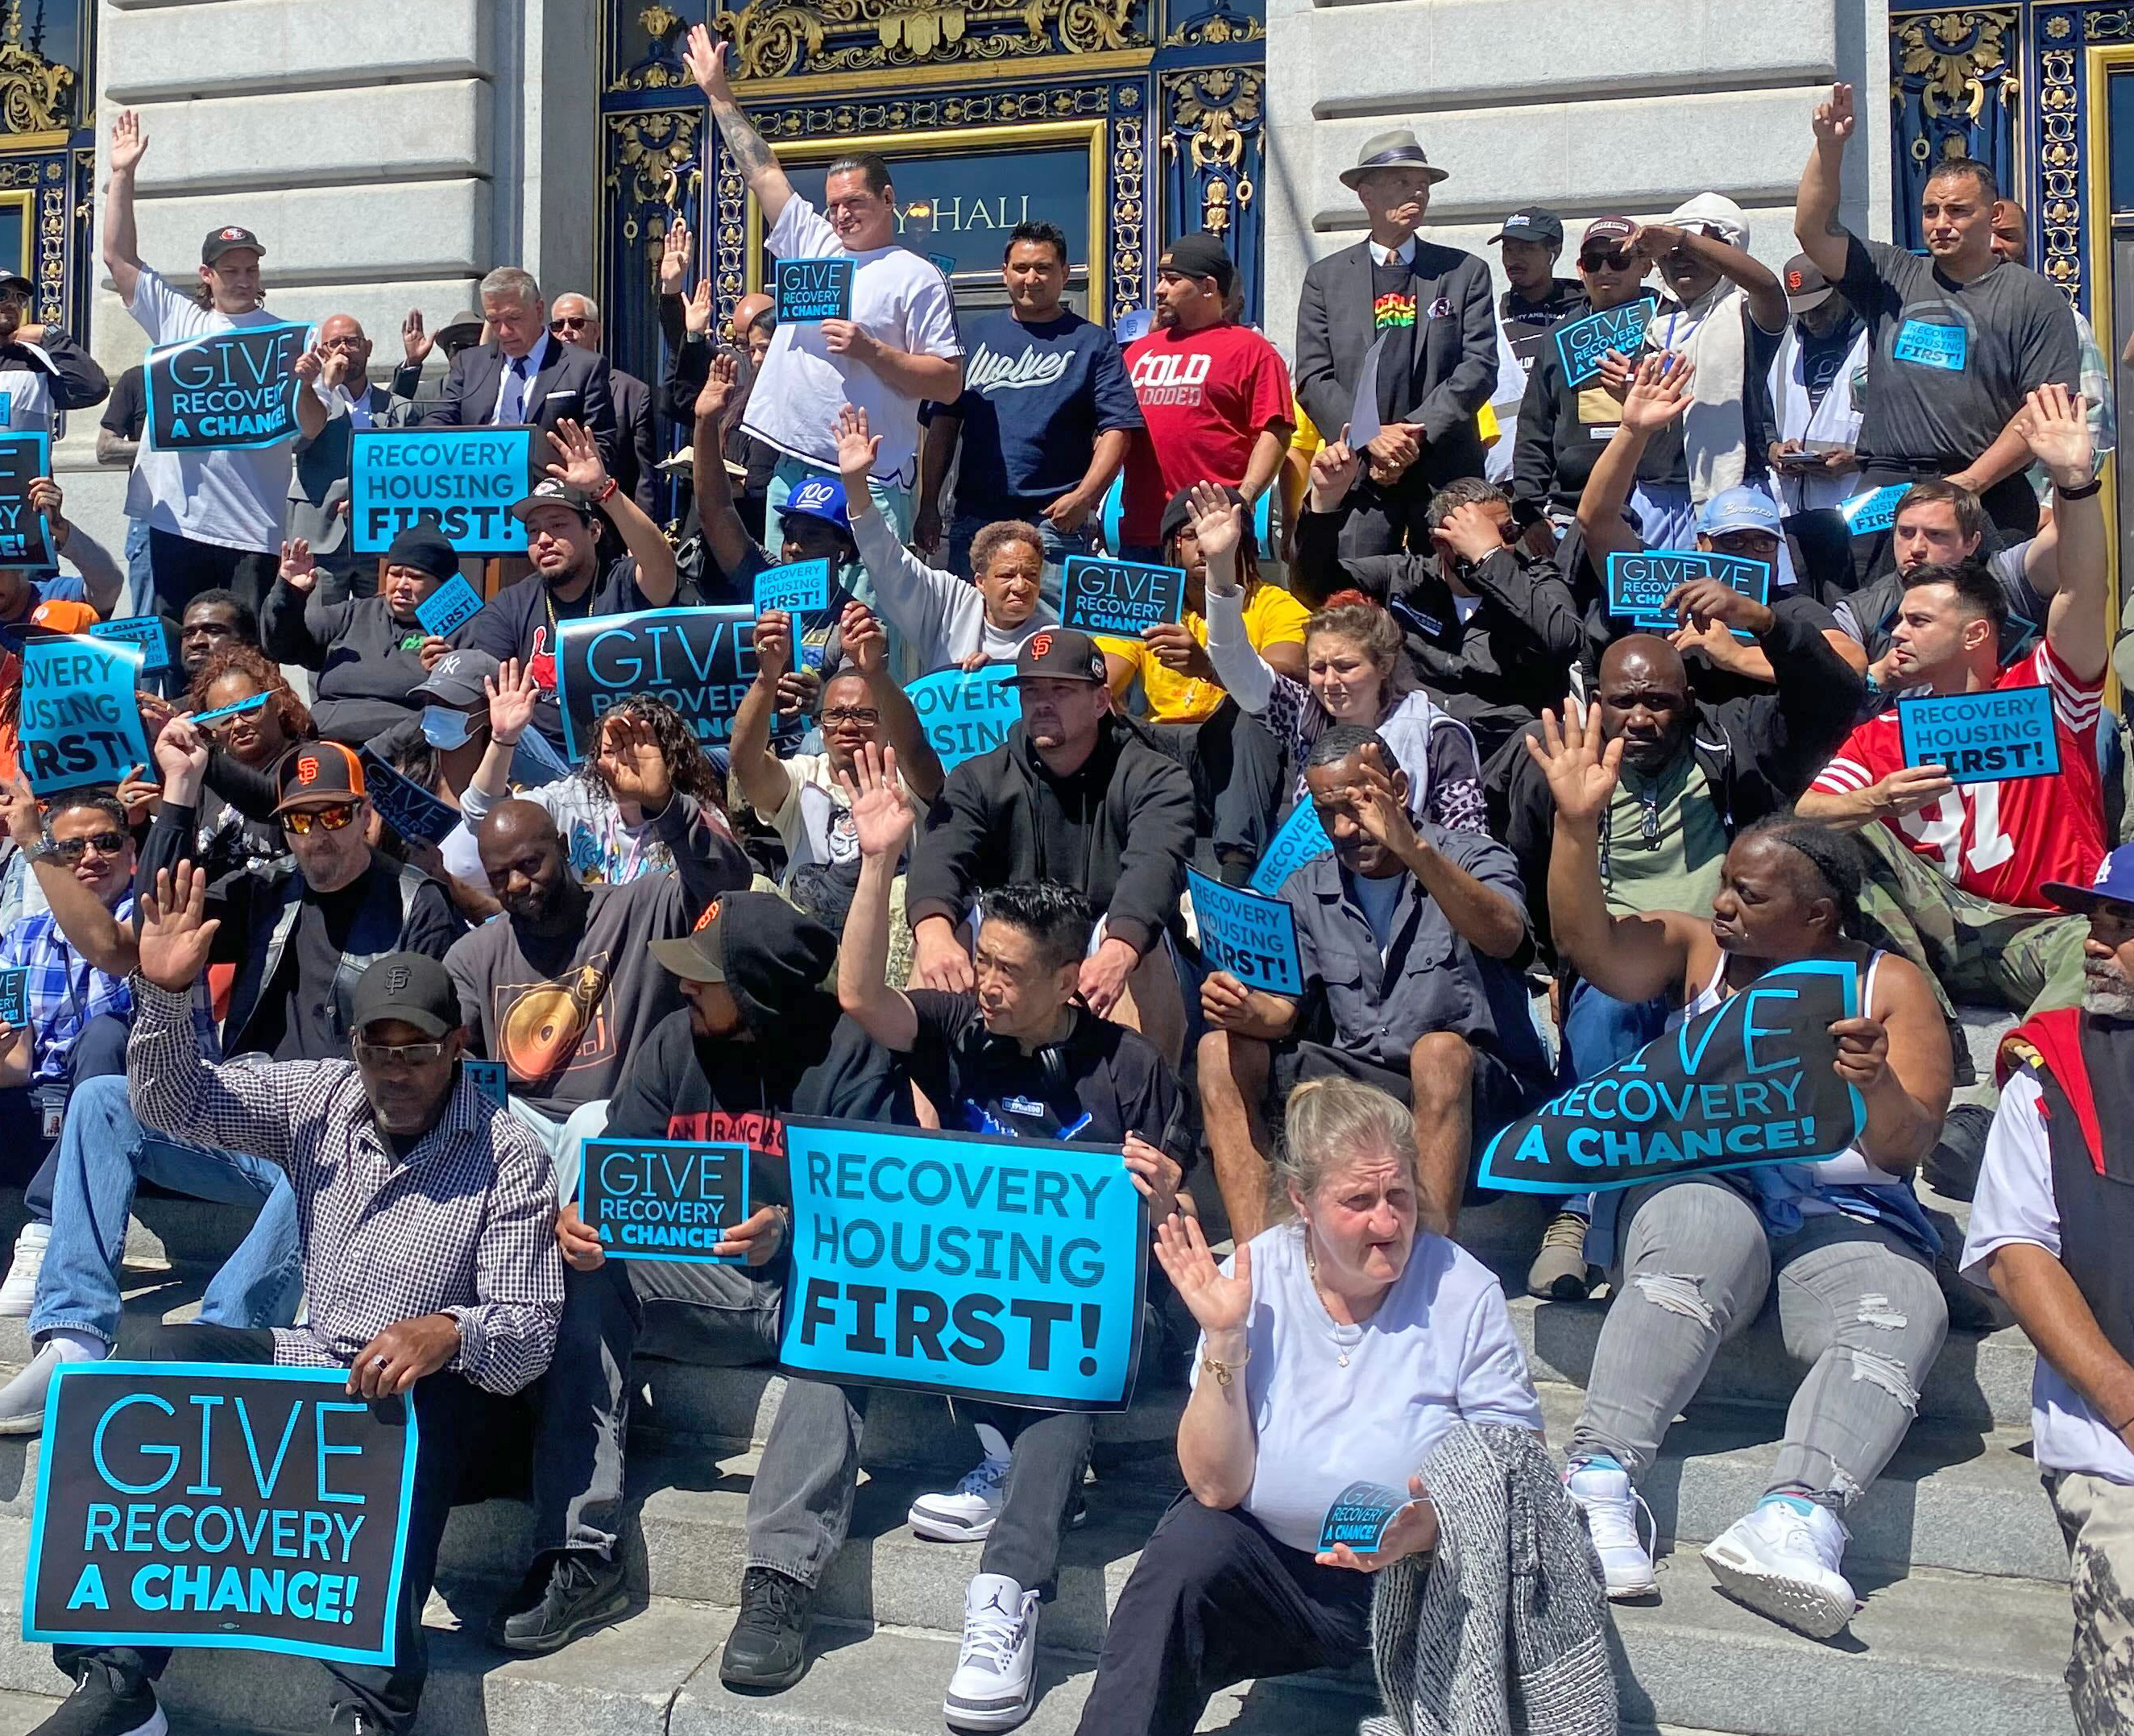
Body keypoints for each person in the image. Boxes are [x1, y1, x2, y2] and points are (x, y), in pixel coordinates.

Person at [26, 908, 561, 1736]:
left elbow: (526, 1333)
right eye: (377, 1050)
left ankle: (371, 1707)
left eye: (416, 1051)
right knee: (152, 1354)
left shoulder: (508, 1153)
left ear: (457, 1049)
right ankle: (122, 1676)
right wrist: (166, 995)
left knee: (400, 1410)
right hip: (319, 1355)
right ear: (354, 1050)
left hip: (453, 1398)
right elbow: (176, 1104)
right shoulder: (319, 1097)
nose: (395, 1071)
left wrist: (451, 1328)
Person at [1527, 698, 1953, 1638]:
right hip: (1712, 1185)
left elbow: (1901, 1148)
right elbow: (1589, 946)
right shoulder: (1694, 951)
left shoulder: (1890, 984)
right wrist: (1574, 820)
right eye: (1724, 886)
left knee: (1903, 1305)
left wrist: (1874, 1084)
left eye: (1750, 897)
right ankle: (1595, 1481)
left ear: (1818, 914)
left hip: (1841, 1215)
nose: (1724, 906)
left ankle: (1797, 1518)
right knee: (1689, 1239)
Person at [822, 746, 1187, 1728]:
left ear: (1071, 979)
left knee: (1066, 1367)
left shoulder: (1134, 1066)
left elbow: (1175, 1209)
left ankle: (1008, 1590)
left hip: (1100, 1324)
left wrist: (1163, 1191)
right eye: (982, 959)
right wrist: (876, 868)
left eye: (1009, 972)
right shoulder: (960, 1030)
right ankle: (1008, 1454)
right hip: (980, 1314)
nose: (984, 982)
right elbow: (861, 998)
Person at [0, 730, 465, 1431]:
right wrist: (181, 793)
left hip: (349, 1131)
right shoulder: (267, 889)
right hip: (243, 1111)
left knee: (321, 1154)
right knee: (101, 1098)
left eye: (334, 814)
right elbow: (147, 924)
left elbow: (436, 1049)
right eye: (300, 820)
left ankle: (214, 1349)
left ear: (366, 815)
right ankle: (72, 1335)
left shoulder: (414, 901)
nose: (317, 837)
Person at [1072, 1075, 1546, 1735]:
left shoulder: (1462, 1290)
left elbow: (1518, 1469)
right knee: (1184, 1552)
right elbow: (1214, 1485)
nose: (1386, 1222)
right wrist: (1225, 1336)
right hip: (1273, 1569)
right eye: (1358, 1200)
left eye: (1399, 1195)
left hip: (1412, 1585)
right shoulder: (1256, 1272)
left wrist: (1432, 1525)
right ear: (1301, 1199)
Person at [491, 893, 868, 1660]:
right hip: (706, 1288)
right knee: (585, 1274)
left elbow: (879, 1212)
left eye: (706, 978)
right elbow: (615, 1181)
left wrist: (790, 1229)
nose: (684, 988)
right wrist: (578, 1220)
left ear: (760, 988)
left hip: (807, 1287)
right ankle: (580, 1550)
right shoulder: (675, 1042)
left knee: (846, 1308)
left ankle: (780, 1578)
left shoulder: (848, 1051)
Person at [1494, 573, 1863, 1295]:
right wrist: (1549, 973)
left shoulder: (1737, 743)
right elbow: (1524, 866)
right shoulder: (1557, 762)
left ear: (1688, 702)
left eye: (1659, 701)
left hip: (1730, 963)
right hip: (1613, 960)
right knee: (1604, 1006)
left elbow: (1835, 699)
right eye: (1623, 701)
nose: (1639, 718)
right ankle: (1579, 1208)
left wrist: (1765, 620)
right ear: (1596, 701)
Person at [1800, 385, 2107, 1139]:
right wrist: (1877, 798)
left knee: (2095, 944)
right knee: (1827, 844)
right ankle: (1928, 1030)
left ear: (1973, 636)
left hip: (2038, 924)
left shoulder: (2044, 691)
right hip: (1930, 935)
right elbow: (1806, 817)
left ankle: (2017, 1108)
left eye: (1915, 620)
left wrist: (2074, 483)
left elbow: (2082, 591)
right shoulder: (1884, 734)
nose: (1894, 632)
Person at [1198, 727, 1548, 1241]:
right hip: (1362, 1081)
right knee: (1216, 1051)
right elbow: (1283, 1010)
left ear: (1399, 791)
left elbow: (1506, 937)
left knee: (1439, 1054)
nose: (1342, 828)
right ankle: (1261, 1263)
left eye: (1357, 807)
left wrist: (1414, 852)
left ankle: (1426, 1268)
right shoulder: (1305, 885)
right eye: (1325, 813)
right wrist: (1245, 1013)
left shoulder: (1472, 854)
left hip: (1475, 1092)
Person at [1963, 841, 2134, 1736]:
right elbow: (2016, 1255)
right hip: (2118, 1459)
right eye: (2097, 921)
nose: (2099, 944)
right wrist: (2128, 1407)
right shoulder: (2052, 1071)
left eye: (2127, 925)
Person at [683, 23, 963, 537]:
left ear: (887, 199)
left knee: (867, 616)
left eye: (854, 202)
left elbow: (948, 384)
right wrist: (718, 94)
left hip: (873, 475)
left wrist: (872, 351)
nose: (840, 215)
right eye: (833, 204)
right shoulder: (811, 242)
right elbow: (763, 172)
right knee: (785, 613)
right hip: (791, 469)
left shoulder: (917, 277)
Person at [447, 711, 750, 1186]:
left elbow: (727, 883)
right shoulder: (473, 955)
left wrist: (666, 806)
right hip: (521, 1126)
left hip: (621, 1124)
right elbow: (450, 1040)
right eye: (501, 877)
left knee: (590, 1125)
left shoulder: (641, 908)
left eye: (530, 864)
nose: (519, 884)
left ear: (565, 848)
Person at [1794, 82, 2081, 541]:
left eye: (1957, 211)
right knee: (1876, 610)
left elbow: (2044, 409)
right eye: (1930, 211)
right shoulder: (1891, 273)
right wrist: (1829, 148)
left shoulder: (2035, 298)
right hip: (1886, 487)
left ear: (1993, 215)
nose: (1940, 224)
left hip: (1984, 493)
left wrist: (1967, 485)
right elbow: (1812, 230)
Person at [904, 628, 1195, 1066]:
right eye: (1032, 690)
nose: (1042, 703)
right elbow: (941, 853)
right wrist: (932, 934)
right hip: (1016, 945)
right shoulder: (978, 776)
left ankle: (1143, 1124)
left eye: (1060, 689)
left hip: (1105, 942)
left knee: (1139, 945)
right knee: (945, 935)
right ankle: (922, 1125)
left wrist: (1120, 949)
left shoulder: (1155, 778)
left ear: (1100, 701)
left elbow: (1156, 865)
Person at [1194, 479, 1484, 829]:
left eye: (1346, 667)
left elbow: (1471, 844)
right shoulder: (1304, 716)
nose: (1330, 683)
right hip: (1318, 879)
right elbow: (1232, 662)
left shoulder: (1438, 738)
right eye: (1318, 668)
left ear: (1384, 665)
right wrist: (1221, 566)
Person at [102, 109, 294, 620]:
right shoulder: (178, 319)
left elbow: (311, 423)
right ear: (206, 274)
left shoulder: (287, 339)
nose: (243, 279)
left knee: (245, 665)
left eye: (251, 269)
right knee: (174, 656)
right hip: (176, 528)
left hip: (255, 530)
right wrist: (122, 175)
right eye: (230, 270)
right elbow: (118, 258)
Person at [1576, 357, 1867, 694]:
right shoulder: (1659, 585)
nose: (1748, 554)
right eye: (1733, 542)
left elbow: (1851, 662)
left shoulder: (1787, 607)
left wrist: (1739, 655)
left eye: (1763, 544)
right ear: (1701, 543)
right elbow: (1596, 520)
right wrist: (1633, 432)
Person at [1295, 442, 1585, 763]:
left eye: (1508, 533)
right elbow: (1315, 588)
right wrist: (1325, 503)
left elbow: (1564, 639)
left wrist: (1489, 559)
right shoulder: (1406, 577)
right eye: (1485, 536)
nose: (1503, 545)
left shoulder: (1533, 578)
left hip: (1501, 751)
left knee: (1543, 741)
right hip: (1415, 747)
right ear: (1440, 545)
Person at [1294, 131, 1495, 557]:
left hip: (1444, 475)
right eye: (1403, 182)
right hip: (1363, 476)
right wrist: (1370, 436)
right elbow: (1314, 376)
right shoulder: (1326, 279)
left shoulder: (1464, 272)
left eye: (1423, 184)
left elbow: (1479, 367)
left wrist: (1411, 436)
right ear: (1367, 194)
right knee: (1359, 603)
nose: (1418, 192)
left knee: (1450, 599)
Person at [917, 220, 1141, 587]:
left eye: (1043, 268)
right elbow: (943, 427)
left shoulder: (1092, 343)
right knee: (972, 636)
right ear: (1005, 272)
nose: (1031, 278)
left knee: (1054, 641)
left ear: (1065, 274)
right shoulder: (971, 337)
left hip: (1054, 524)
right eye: (1021, 268)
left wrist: (1084, 497)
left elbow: (1118, 429)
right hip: (974, 523)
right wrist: (929, 504)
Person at [1099, 483, 1303, 879]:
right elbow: (1105, 674)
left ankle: (1236, 872)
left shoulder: (1274, 603)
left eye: (1213, 535)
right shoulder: (1150, 604)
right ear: (1172, 549)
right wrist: (1096, 695)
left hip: (1231, 752)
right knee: (1083, 713)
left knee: (1252, 712)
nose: (1203, 546)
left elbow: (1284, 679)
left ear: (1241, 544)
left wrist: (1209, 667)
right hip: (1162, 750)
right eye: (1189, 536)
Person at [459, 424, 681, 752]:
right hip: (541, 754)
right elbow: (485, 684)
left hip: (628, 749)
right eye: (533, 531)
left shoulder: (620, 582)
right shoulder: (511, 604)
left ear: (593, 531)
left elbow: (662, 568)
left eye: (558, 526)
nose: (544, 540)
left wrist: (605, 490)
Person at [0, 786, 136, 1315]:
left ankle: (48, 1228)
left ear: (131, 851)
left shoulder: (152, 917)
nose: (90, 856)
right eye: (72, 847)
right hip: (44, 1107)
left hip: (135, 1108)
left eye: (105, 841)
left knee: (103, 1034)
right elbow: (14, 1064)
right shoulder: (21, 937)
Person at [729, 601, 943, 889]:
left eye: (863, 715)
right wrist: (767, 678)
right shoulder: (802, 779)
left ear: (887, 724)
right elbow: (746, 763)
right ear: (821, 727)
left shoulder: (906, 781)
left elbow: (915, 750)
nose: (847, 726)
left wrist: (876, 672)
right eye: (835, 715)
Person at [458, 661, 728, 889]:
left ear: (668, 760)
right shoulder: (575, 800)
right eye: (611, 751)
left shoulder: (695, 819)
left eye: (634, 751)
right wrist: (503, 739)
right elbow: (482, 819)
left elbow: (724, 883)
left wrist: (663, 803)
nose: (621, 765)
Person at [1119, 234, 1292, 560]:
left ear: (1209, 287)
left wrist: (1245, 497)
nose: (1159, 289)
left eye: (1172, 280)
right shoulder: (1137, 352)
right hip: (1142, 531)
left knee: (1220, 612)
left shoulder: (1253, 351)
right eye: (1159, 279)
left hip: (1214, 529)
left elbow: (1275, 431)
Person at [1511, 216, 1684, 534]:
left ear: (1645, 266)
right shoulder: (1559, 336)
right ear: (1581, 269)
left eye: (1618, 259)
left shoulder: (1674, 323)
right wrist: (1530, 510)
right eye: (1593, 261)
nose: (1604, 270)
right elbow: (1534, 429)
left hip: (1658, 502)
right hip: (1571, 508)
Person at [1634, 194, 1789, 510]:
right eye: (1670, 251)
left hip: (1734, 491)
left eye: (1693, 249)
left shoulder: (1748, 311)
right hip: (1656, 496)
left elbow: (1769, 287)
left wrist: (1681, 238)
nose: (1679, 258)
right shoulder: (1653, 321)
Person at [690, 355, 861, 611]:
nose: (793, 547)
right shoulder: (763, 580)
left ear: (842, 551)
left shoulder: (856, 623)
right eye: (789, 534)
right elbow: (715, 512)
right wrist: (706, 422)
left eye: (811, 537)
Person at [261, 524, 458, 744]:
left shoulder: (455, 631)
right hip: (326, 747)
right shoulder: (352, 614)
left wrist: (450, 672)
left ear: (442, 585)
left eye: (415, 577)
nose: (402, 585)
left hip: (403, 754)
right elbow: (283, 648)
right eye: (395, 574)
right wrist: (289, 594)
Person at [421, 266, 619, 471]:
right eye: (494, 321)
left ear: (539, 310)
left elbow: (602, 448)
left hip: (550, 490)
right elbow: (440, 419)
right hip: (479, 488)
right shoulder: (471, 363)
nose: (504, 331)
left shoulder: (584, 366)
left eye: (514, 318)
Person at [286, 313, 408, 600]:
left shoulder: (397, 407)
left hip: (377, 538)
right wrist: (323, 386)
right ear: (322, 352)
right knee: (318, 625)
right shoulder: (306, 396)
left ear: (367, 348)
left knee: (376, 626)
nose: (343, 349)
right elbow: (296, 441)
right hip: (320, 534)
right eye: (334, 343)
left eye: (351, 342)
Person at [1760, 254, 1868, 514]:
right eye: (1802, 312)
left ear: (1842, 292)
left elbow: (1908, 430)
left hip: (1858, 503)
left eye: (1820, 309)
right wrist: (1773, 448)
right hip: (1792, 508)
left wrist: (1861, 459)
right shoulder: (1784, 343)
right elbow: (1763, 416)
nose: (1810, 320)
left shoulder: (1875, 339)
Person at [548, 290, 659, 513]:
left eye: (576, 323)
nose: (566, 331)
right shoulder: (541, 385)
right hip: (552, 511)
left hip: (608, 515)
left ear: (596, 331)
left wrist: (638, 537)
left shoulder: (632, 392)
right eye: (558, 326)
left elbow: (643, 475)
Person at [0, 269, 106, 438]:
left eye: (20, 299)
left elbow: (94, 388)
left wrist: (50, 335)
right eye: (2, 294)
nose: (13, 304)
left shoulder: (35, 362)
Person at [96, 362, 151, 603]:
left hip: (216, 517)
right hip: (152, 516)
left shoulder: (222, 379)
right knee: (151, 618)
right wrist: (164, 446)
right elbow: (105, 449)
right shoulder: (138, 377)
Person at [1492, 205, 1582, 337]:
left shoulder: (1581, 312)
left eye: (1525, 249)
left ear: (1554, 252)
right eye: (1508, 250)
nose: (1512, 259)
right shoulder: (1493, 318)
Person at [177, 587, 256, 685]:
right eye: (188, 634)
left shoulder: (273, 699)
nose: (195, 642)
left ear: (247, 641)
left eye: (213, 631)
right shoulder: (167, 700)